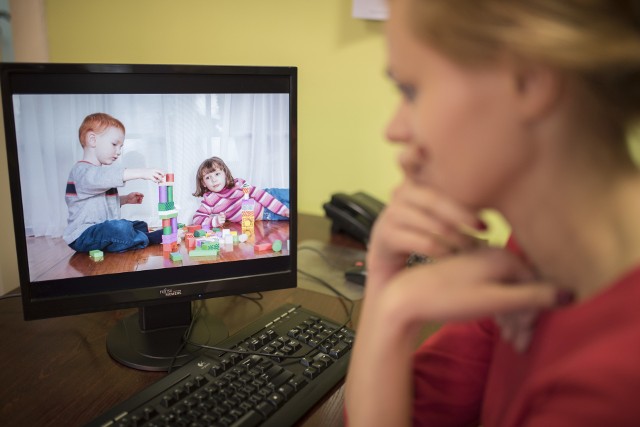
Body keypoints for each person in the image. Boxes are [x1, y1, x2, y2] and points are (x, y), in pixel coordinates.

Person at [345, 1, 640, 426]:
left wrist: (395, 310)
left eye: (411, 91)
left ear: (529, 80)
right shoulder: (536, 255)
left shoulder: (614, 386)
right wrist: (385, 278)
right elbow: (397, 407)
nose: (394, 130)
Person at [63, 112, 165, 253]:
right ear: (92, 140)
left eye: (120, 147)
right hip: (83, 236)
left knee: (139, 224)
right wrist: (142, 173)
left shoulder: (100, 175)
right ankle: (148, 239)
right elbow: (103, 177)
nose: (118, 152)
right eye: (114, 144)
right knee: (119, 228)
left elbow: (101, 203)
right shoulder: (81, 171)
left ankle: (137, 236)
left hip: (103, 229)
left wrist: (125, 199)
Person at [191, 156, 289, 228]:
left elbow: (260, 194)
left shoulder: (238, 184)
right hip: (267, 214)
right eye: (208, 177)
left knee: (299, 195)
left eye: (217, 174)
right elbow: (197, 219)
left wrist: (283, 210)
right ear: (203, 183)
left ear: (225, 174)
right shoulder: (210, 200)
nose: (214, 180)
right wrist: (214, 221)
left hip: (271, 196)